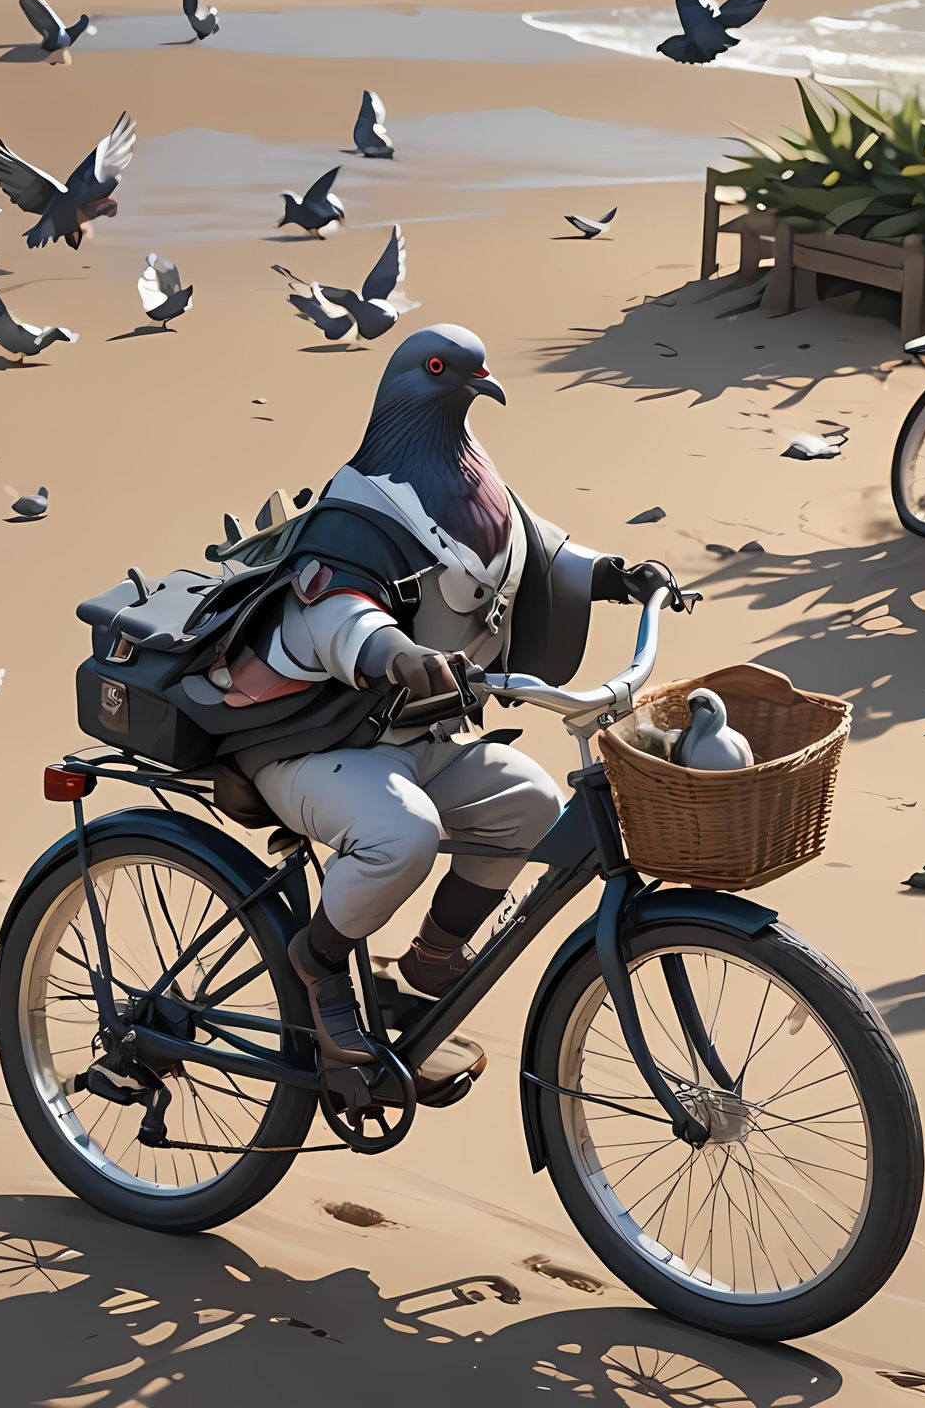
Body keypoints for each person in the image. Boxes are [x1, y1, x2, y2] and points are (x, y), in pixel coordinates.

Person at [212, 323, 669, 1068]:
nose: (475, 382)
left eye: (476, 372)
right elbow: (335, 613)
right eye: (443, 369)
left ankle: (431, 958)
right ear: (409, 387)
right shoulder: (357, 512)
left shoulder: (471, 475)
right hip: (311, 743)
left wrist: (615, 576)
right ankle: (318, 959)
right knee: (404, 834)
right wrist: (397, 654)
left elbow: (534, 550)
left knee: (528, 804)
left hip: (412, 739)